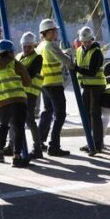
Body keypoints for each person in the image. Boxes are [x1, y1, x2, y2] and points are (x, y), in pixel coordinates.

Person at [36, 18, 76, 157]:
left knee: (47, 112)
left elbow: (55, 55)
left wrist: (62, 52)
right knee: (60, 115)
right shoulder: (50, 46)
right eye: (54, 30)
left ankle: (39, 142)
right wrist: (70, 56)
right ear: (48, 32)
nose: (56, 32)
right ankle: (54, 146)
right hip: (54, 84)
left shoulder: (41, 46)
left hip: (45, 84)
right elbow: (66, 62)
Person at [0, 39, 32, 168]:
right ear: (9, 52)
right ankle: (16, 156)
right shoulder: (16, 64)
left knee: (3, 127)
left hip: (2, 103)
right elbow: (27, 82)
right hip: (18, 101)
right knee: (18, 128)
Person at [73, 26, 107, 155]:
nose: (86, 44)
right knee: (85, 114)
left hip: (97, 86)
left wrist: (76, 68)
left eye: (88, 41)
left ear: (92, 39)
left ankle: (98, 144)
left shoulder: (97, 52)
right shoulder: (79, 50)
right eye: (84, 42)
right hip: (86, 86)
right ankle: (90, 141)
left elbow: (92, 72)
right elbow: (78, 64)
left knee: (94, 114)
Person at [15, 32, 44, 160]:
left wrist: (19, 70)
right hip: (19, 91)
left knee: (29, 120)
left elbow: (31, 74)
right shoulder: (18, 56)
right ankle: (13, 146)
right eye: (25, 46)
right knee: (17, 119)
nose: (26, 49)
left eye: (29, 47)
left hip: (31, 93)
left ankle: (37, 147)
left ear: (33, 46)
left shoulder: (37, 58)